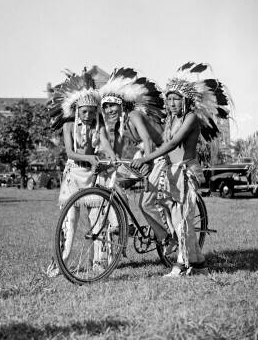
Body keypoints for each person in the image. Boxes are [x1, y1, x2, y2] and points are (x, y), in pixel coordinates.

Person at [132, 62, 231, 277]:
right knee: (177, 220)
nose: (171, 103)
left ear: (186, 100)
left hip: (186, 171)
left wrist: (148, 157)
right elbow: (162, 141)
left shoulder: (191, 118)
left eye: (176, 98)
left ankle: (181, 265)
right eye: (169, 99)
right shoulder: (171, 119)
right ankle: (200, 264)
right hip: (171, 171)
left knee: (183, 219)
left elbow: (172, 143)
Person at [46, 70, 116, 277]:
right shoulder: (68, 126)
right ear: (77, 111)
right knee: (69, 222)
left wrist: (111, 158)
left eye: (92, 112)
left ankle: (99, 263)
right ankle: (60, 263)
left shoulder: (98, 126)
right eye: (84, 112)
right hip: (74, 175)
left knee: (97, 220)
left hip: (92, 175)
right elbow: (69, 152)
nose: (88, 116)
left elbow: (106, 145)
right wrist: (89, 158)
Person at [99, 68, 170, 243]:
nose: (109, 110)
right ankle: (127, 223)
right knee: (114, 180)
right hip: (145, 156)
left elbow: (149, 141)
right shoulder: (118, 125)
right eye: (106, 106)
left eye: (113, 105)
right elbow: (116, 150)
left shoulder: (134, 115)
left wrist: (148, 164)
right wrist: (110, 161)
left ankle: (167, 239)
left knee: (145, 204)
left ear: (122, 104)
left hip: (161, 154)